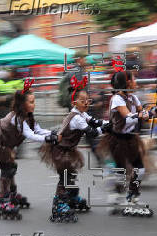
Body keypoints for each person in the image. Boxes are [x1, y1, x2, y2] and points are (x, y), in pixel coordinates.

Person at [0, 81, 60, 220]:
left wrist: (53, 133)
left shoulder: (27, 116)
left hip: (5, 144)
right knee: (8, 169)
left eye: (34, 101)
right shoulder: (18, 119)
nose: (34, 104)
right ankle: (3, 201)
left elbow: (38, 130)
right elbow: (30, 135)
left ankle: (11, 195)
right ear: (22, 104)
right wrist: (49, 139)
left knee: (11, 167)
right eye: (31, 102)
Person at [40, 88, 111, 223]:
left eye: (87, 100)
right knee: (65, 176)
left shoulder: (81, 114)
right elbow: (92, 132)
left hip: (67, 149)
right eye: (82, 100)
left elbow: (94, 121)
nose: (86, 103)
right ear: (74, 102)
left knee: (71, 173)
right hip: (60, 150)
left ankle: (71, 197)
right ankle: (59, 204)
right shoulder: (77, 118)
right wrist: (105, 128)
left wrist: (108, 123)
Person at [97, 70, 157, 217]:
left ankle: (132, 198)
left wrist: (154, 112)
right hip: (116, 140)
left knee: (140, 169)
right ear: (127, 83)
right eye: (134, 79)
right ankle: (115, 196)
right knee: (121, 172)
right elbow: (129, 117)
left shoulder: (133, 98)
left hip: (130, 139)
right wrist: (145, 114)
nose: (136, 82)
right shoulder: (117, 99)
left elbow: (142, 113)